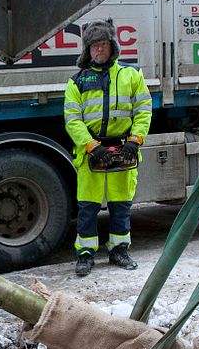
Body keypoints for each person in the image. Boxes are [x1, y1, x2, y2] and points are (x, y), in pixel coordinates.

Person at [63, 18, 152, 277]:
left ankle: (119, 250)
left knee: (121, 205)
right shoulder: (77, 81)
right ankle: (85, 254)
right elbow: (72, 119)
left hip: (124, 151)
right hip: (91, 153)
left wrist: (135, 141)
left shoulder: (131, 75)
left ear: (112, 46)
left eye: (103, 44)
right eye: (94, 46)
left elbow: (143, 110)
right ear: (87, 50)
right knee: (88, 208)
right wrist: (91, 146)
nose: (99, 50)